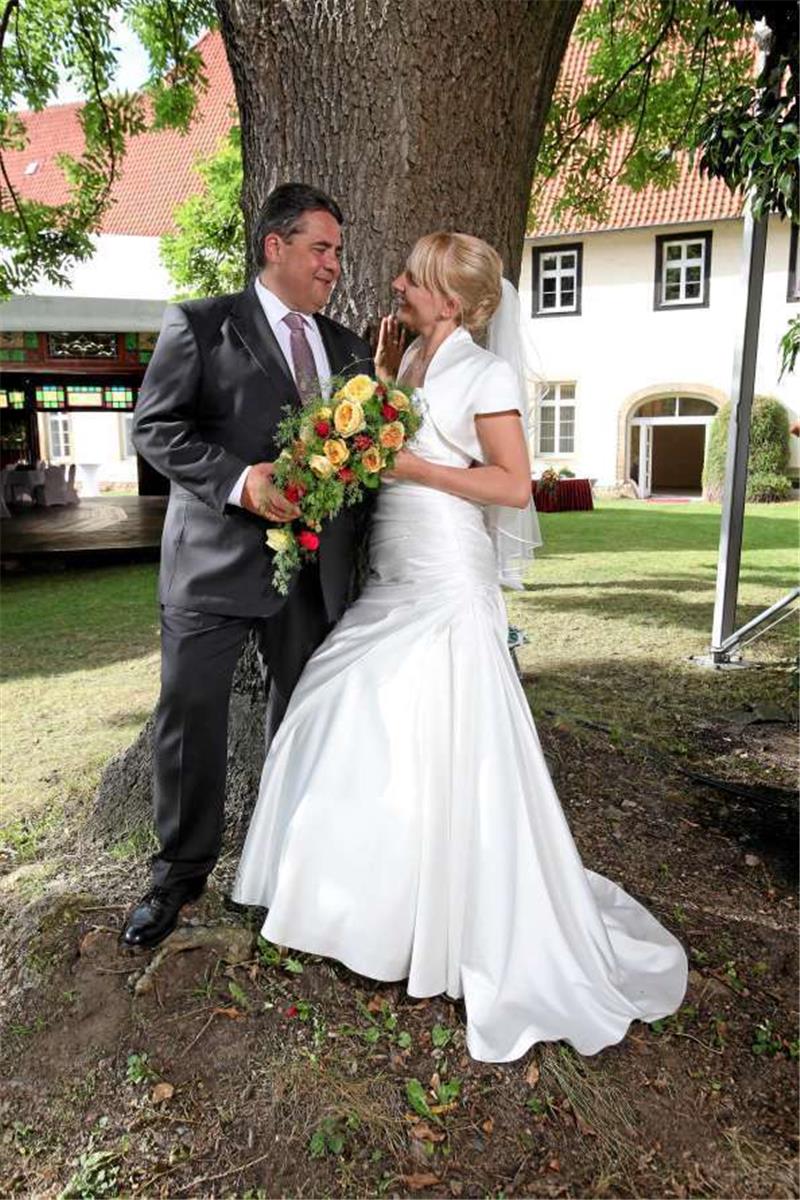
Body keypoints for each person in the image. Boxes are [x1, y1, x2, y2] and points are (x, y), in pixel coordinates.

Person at [231, 231, 688, 1063]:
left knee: (430, 726)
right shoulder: (404, 363)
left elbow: (512, 485)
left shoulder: (485, 371)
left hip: (446, 573)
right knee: (337, 701)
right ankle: (366, 906)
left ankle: (436, 921)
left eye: (415, 278)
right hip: (395, 569)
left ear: (453, 300)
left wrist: (412, 466)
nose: (397, 283)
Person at [121, 183, 372, 951]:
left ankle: (285, 867)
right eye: (320, 249)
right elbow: (155, 429)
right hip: (212, 568)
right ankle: (179, 873)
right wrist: (240, 481)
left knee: (303, 718)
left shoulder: (347, 349)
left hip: (313, 576)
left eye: (336, 251)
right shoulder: (199, 325)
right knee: (190, 718)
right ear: (275, 246)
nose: (334, 264)